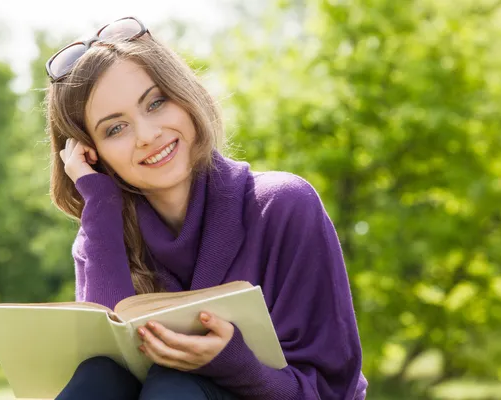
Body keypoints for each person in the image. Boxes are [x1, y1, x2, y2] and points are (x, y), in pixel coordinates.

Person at [45, 16, 368, 400]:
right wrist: (99, 202)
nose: (148, 136)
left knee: (174, 386)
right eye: (115, 128)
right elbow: (110, 365)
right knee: (96, 377)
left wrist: (238, 365)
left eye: (156, 102)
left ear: (183, 95)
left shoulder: (284, 205)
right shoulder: (100, 234)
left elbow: (334, 390)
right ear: (92, 154)